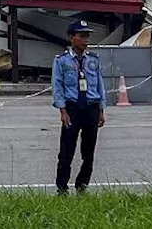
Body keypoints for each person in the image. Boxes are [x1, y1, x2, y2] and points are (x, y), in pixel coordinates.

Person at [51, 20, 107, 195]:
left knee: (88, 151)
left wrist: (101, 109)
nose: (86, 40)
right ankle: (62, 186)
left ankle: (82, 185)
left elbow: (99, 84)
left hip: (91, 107)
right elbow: (57, 86)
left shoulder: (93, 59)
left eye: (87, 36)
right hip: (72, 108)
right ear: (71, 38)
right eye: (82, 36)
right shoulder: (62, 61)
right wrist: (62, 110)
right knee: (66, 151)